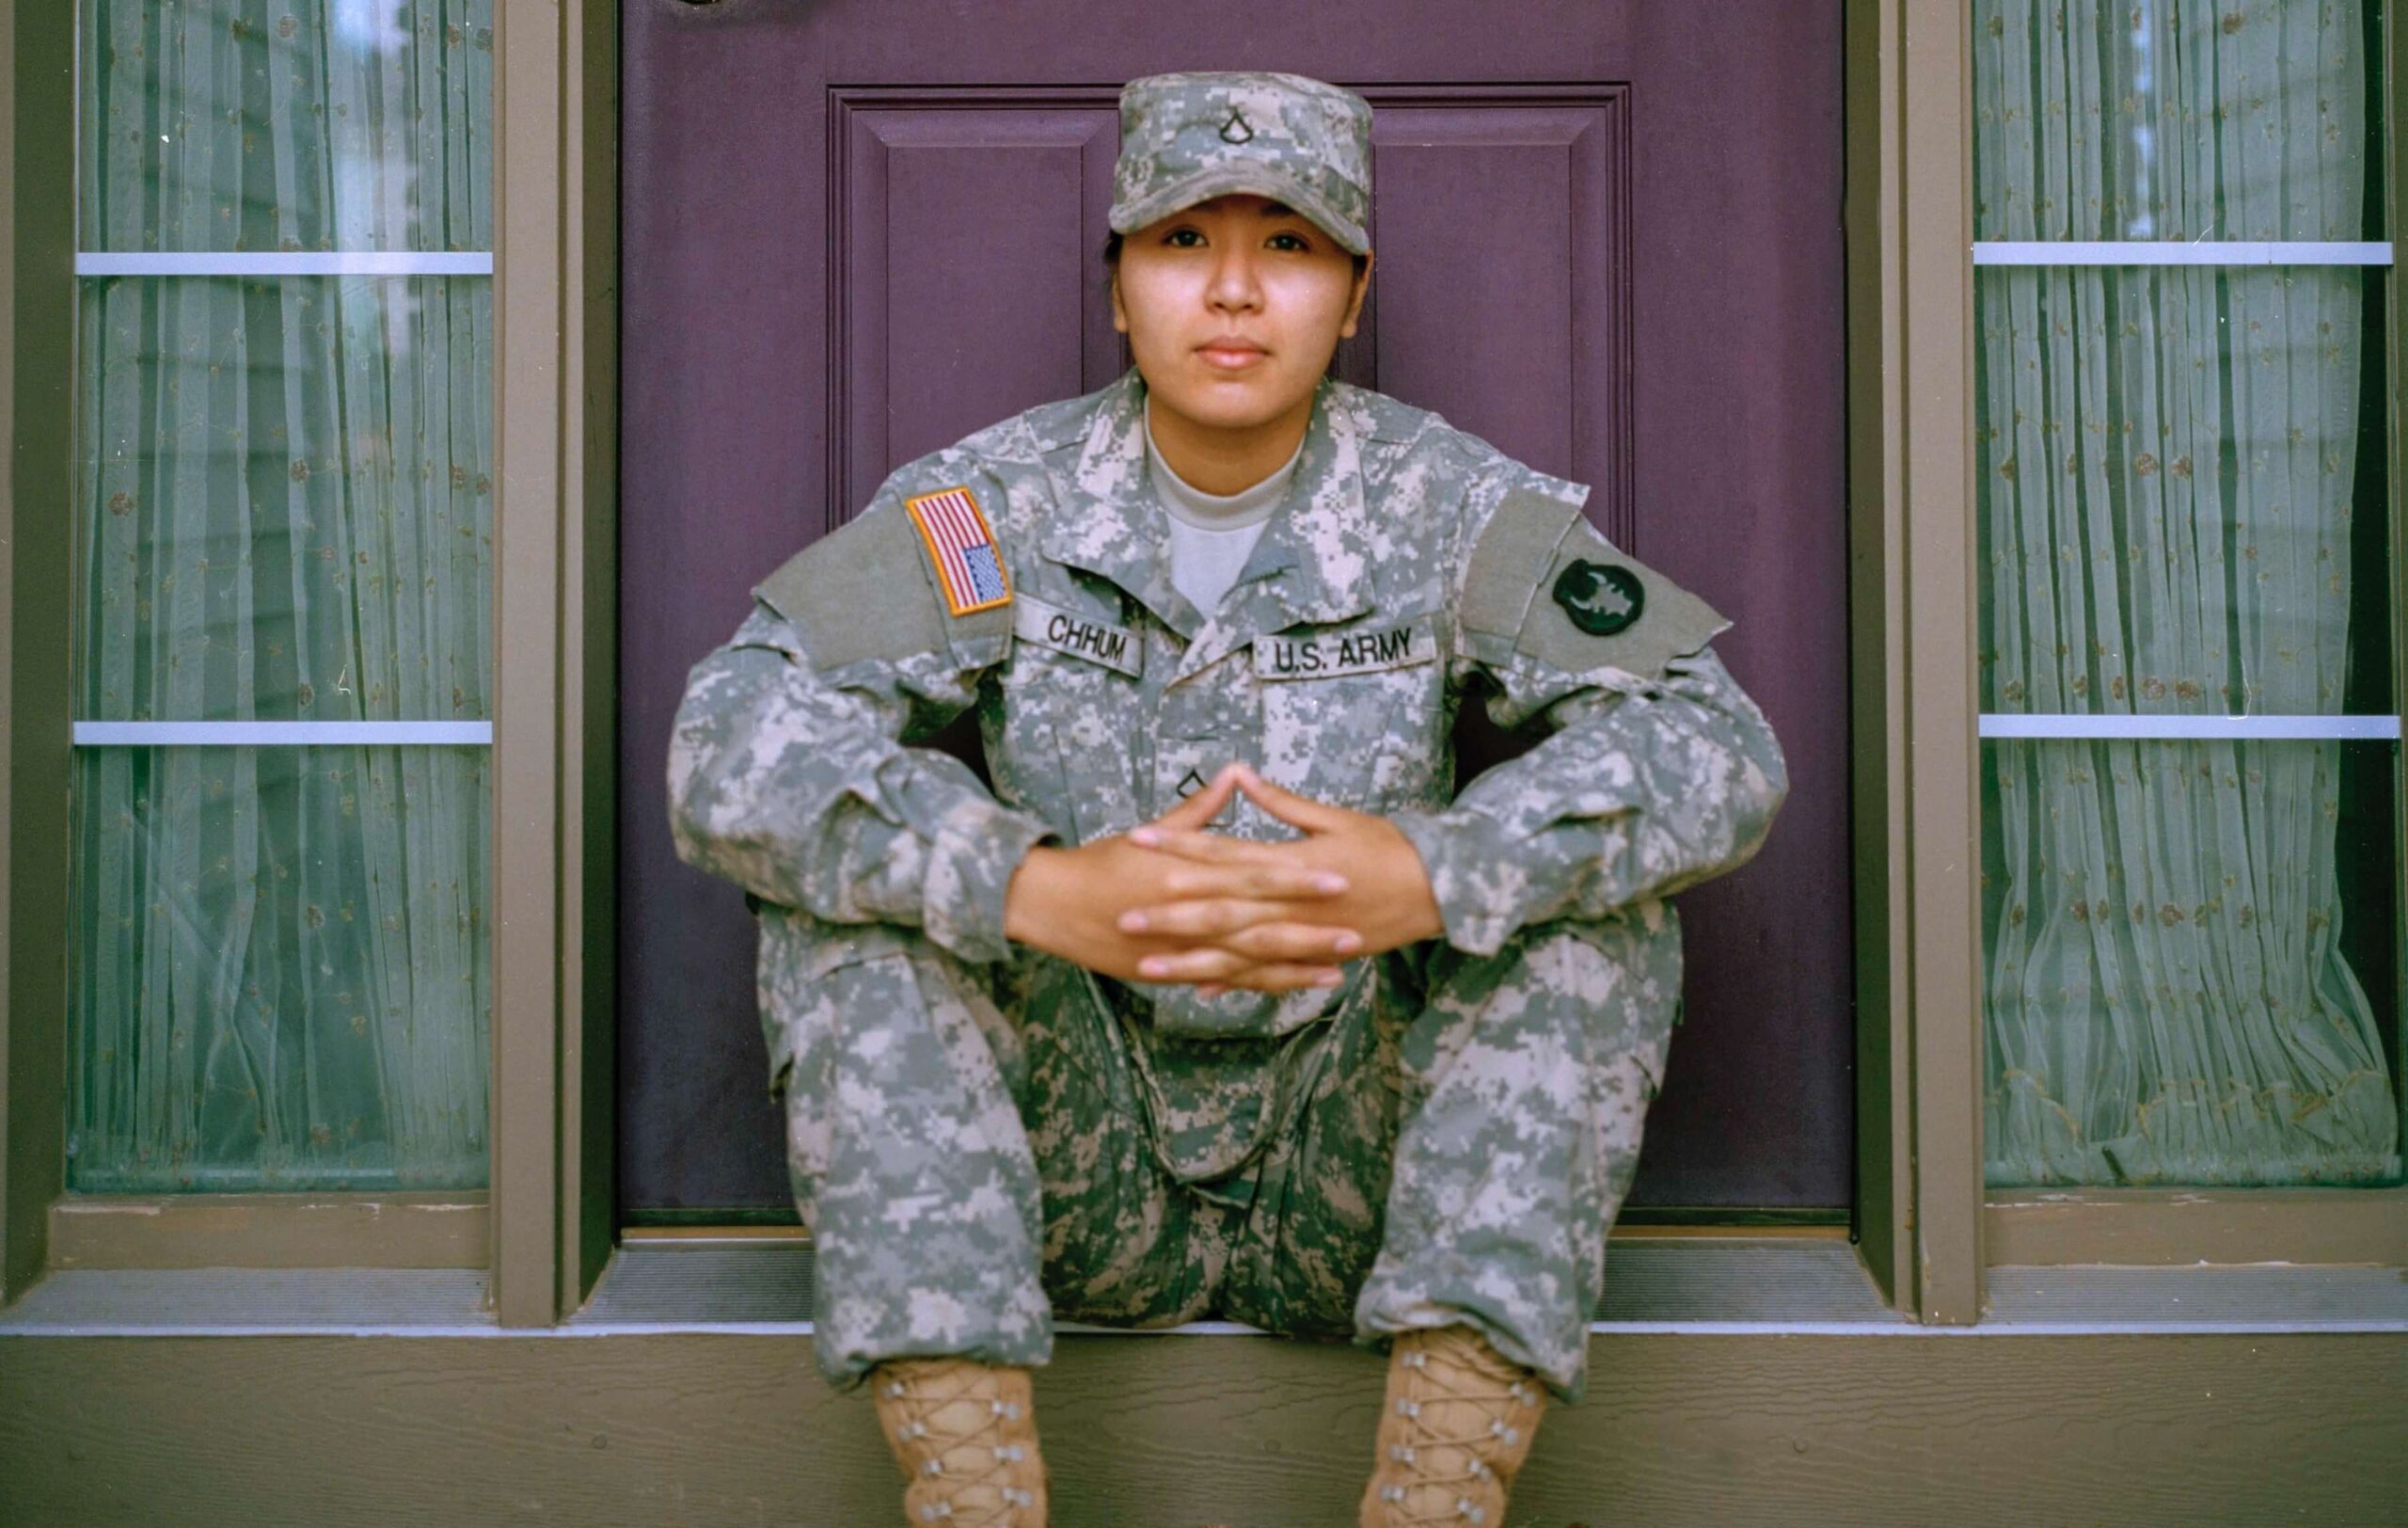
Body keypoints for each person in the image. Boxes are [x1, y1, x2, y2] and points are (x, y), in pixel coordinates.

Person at [667, 70, 1787, 1528]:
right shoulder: (994, 504)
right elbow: (732, 734)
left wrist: (1433, 873)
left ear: (1355, 293)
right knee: (849, 918)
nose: (1236, 292)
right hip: (1064, 1167)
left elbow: (1714, 740)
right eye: (1184, 242)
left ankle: (1436, 1495)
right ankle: (974, 1497)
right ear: (1118, 289)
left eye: (1292, 246)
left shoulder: (1452, 506)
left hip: (1368, 1170)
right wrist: (1033, 888)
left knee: (1592, 922)